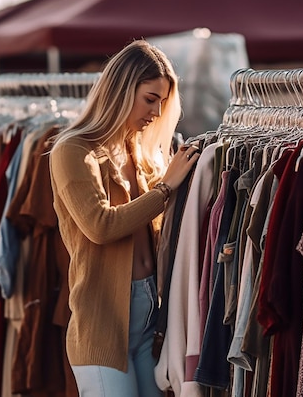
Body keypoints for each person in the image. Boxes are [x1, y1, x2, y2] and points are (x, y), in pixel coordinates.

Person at [49, 39, 200, 397]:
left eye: (162, 103)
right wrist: (165, 190)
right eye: (150, 99)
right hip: (102, 328)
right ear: (121, 90)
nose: (156, 112)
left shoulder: (137, 151)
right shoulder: (73, 149)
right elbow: (100, 226)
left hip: (149, 321)